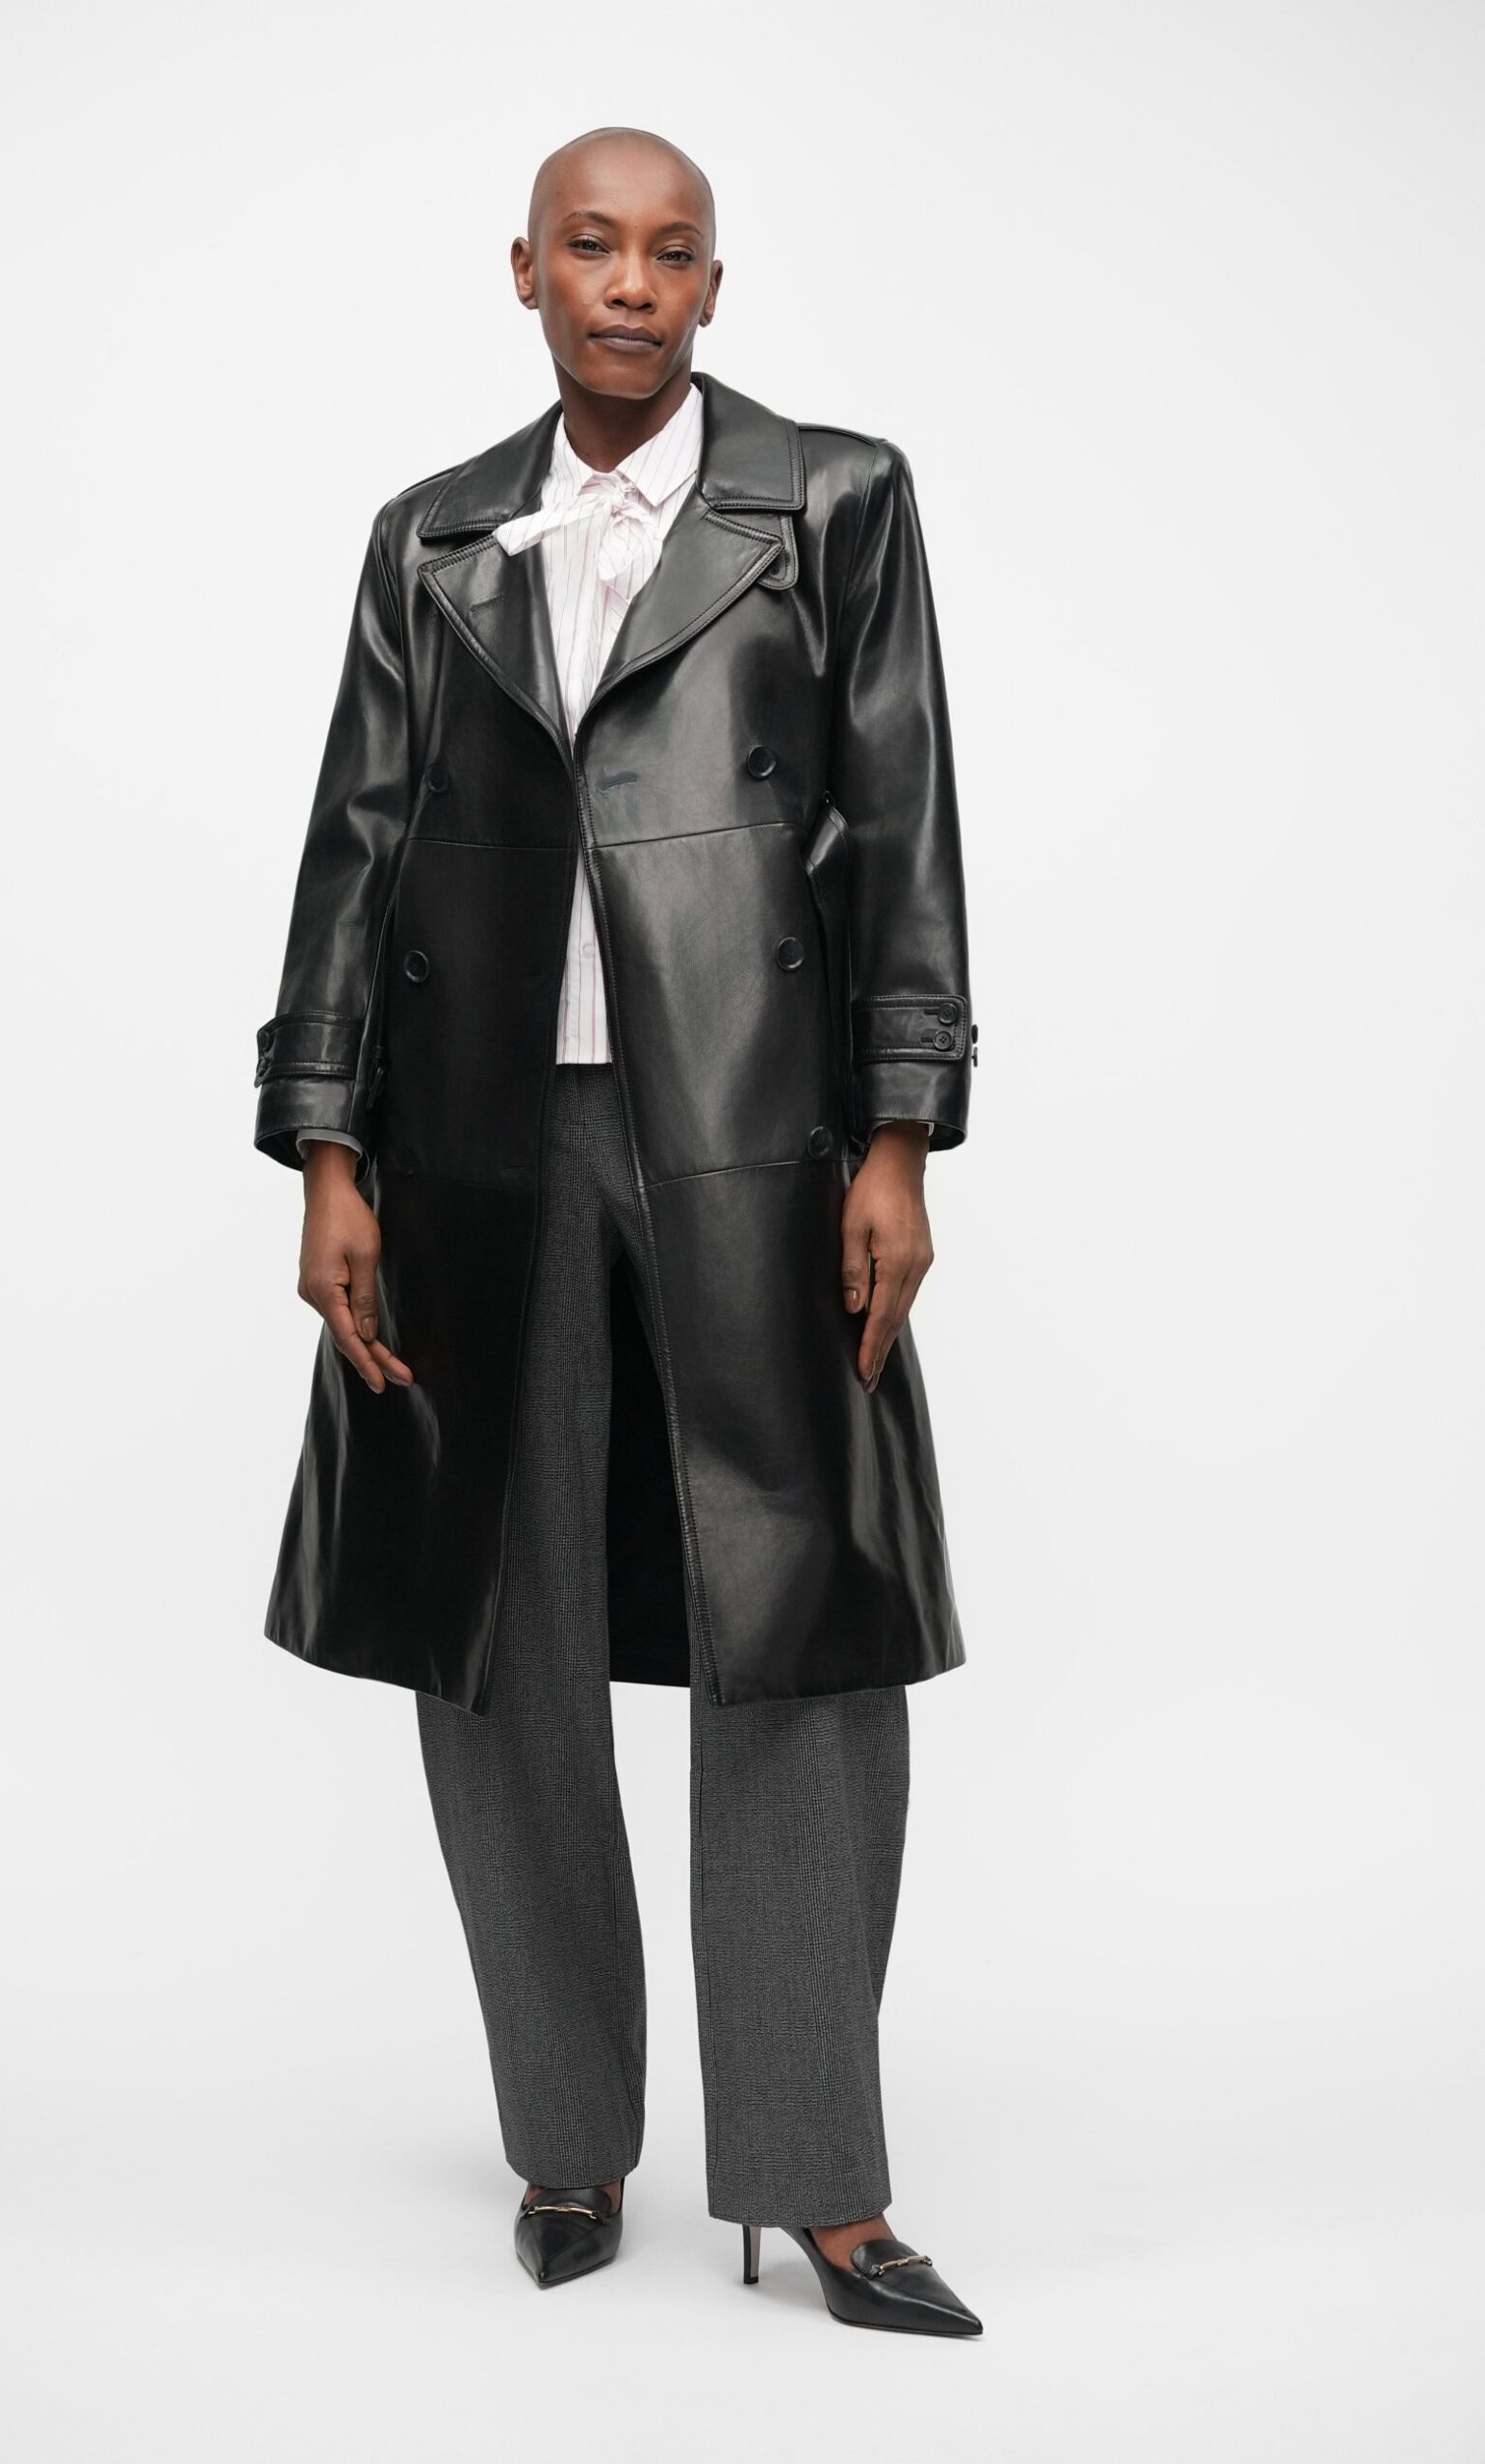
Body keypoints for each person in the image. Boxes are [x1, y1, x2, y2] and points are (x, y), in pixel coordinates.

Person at [251, 124, 982, 2337]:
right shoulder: (432, 535)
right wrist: (326, 1149)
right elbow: (356, 843)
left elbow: (900, 822)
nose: (631, 285)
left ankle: (821, 2181)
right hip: (479, 1142)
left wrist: (899, 1133)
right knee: (498, 1631)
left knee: (801, 1629)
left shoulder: (828, 500)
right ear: (527, 272)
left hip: (756, 1137)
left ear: (710, 287)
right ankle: (566, 2132)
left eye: (670, 252)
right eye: (593, 246)